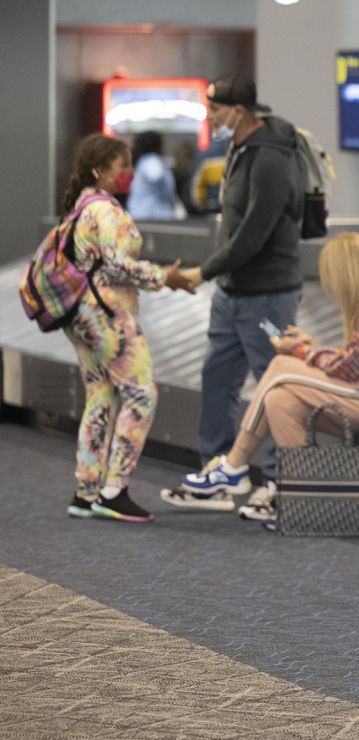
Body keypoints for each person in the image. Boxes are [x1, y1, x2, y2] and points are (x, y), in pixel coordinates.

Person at [163, 232, 359, 520]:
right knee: (280, 400)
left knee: (280, 366)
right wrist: (312, 347)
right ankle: (298, 494)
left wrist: (300, 350)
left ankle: (235, 464)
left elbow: (355, 368)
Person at [171, 73, 304, 506]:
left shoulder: (271, 158)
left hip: (267, 293)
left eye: (217, 108)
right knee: (217, 377)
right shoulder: (239, 147)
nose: (211, 116)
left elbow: (253, 235)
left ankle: (280, 480)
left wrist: (202, 272)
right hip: (232, 292)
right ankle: (223, 471)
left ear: (240, 110)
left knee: (275, 385)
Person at [60, 134, 194, 521]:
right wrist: (163, 277)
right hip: (109, 317)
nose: (129, 173)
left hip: (81, 316)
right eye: (123, 166)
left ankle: (86, 491)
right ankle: (114, 489)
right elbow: (118, 265)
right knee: (141, 394)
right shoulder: (107, 212)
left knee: (100, 396)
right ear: (100, 171)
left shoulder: (81, 208)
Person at [127, 130, 177, 220]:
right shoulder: (151, 160)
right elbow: (155, 175)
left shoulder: (144, 161)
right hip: (153, 215)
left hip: (143, 214)